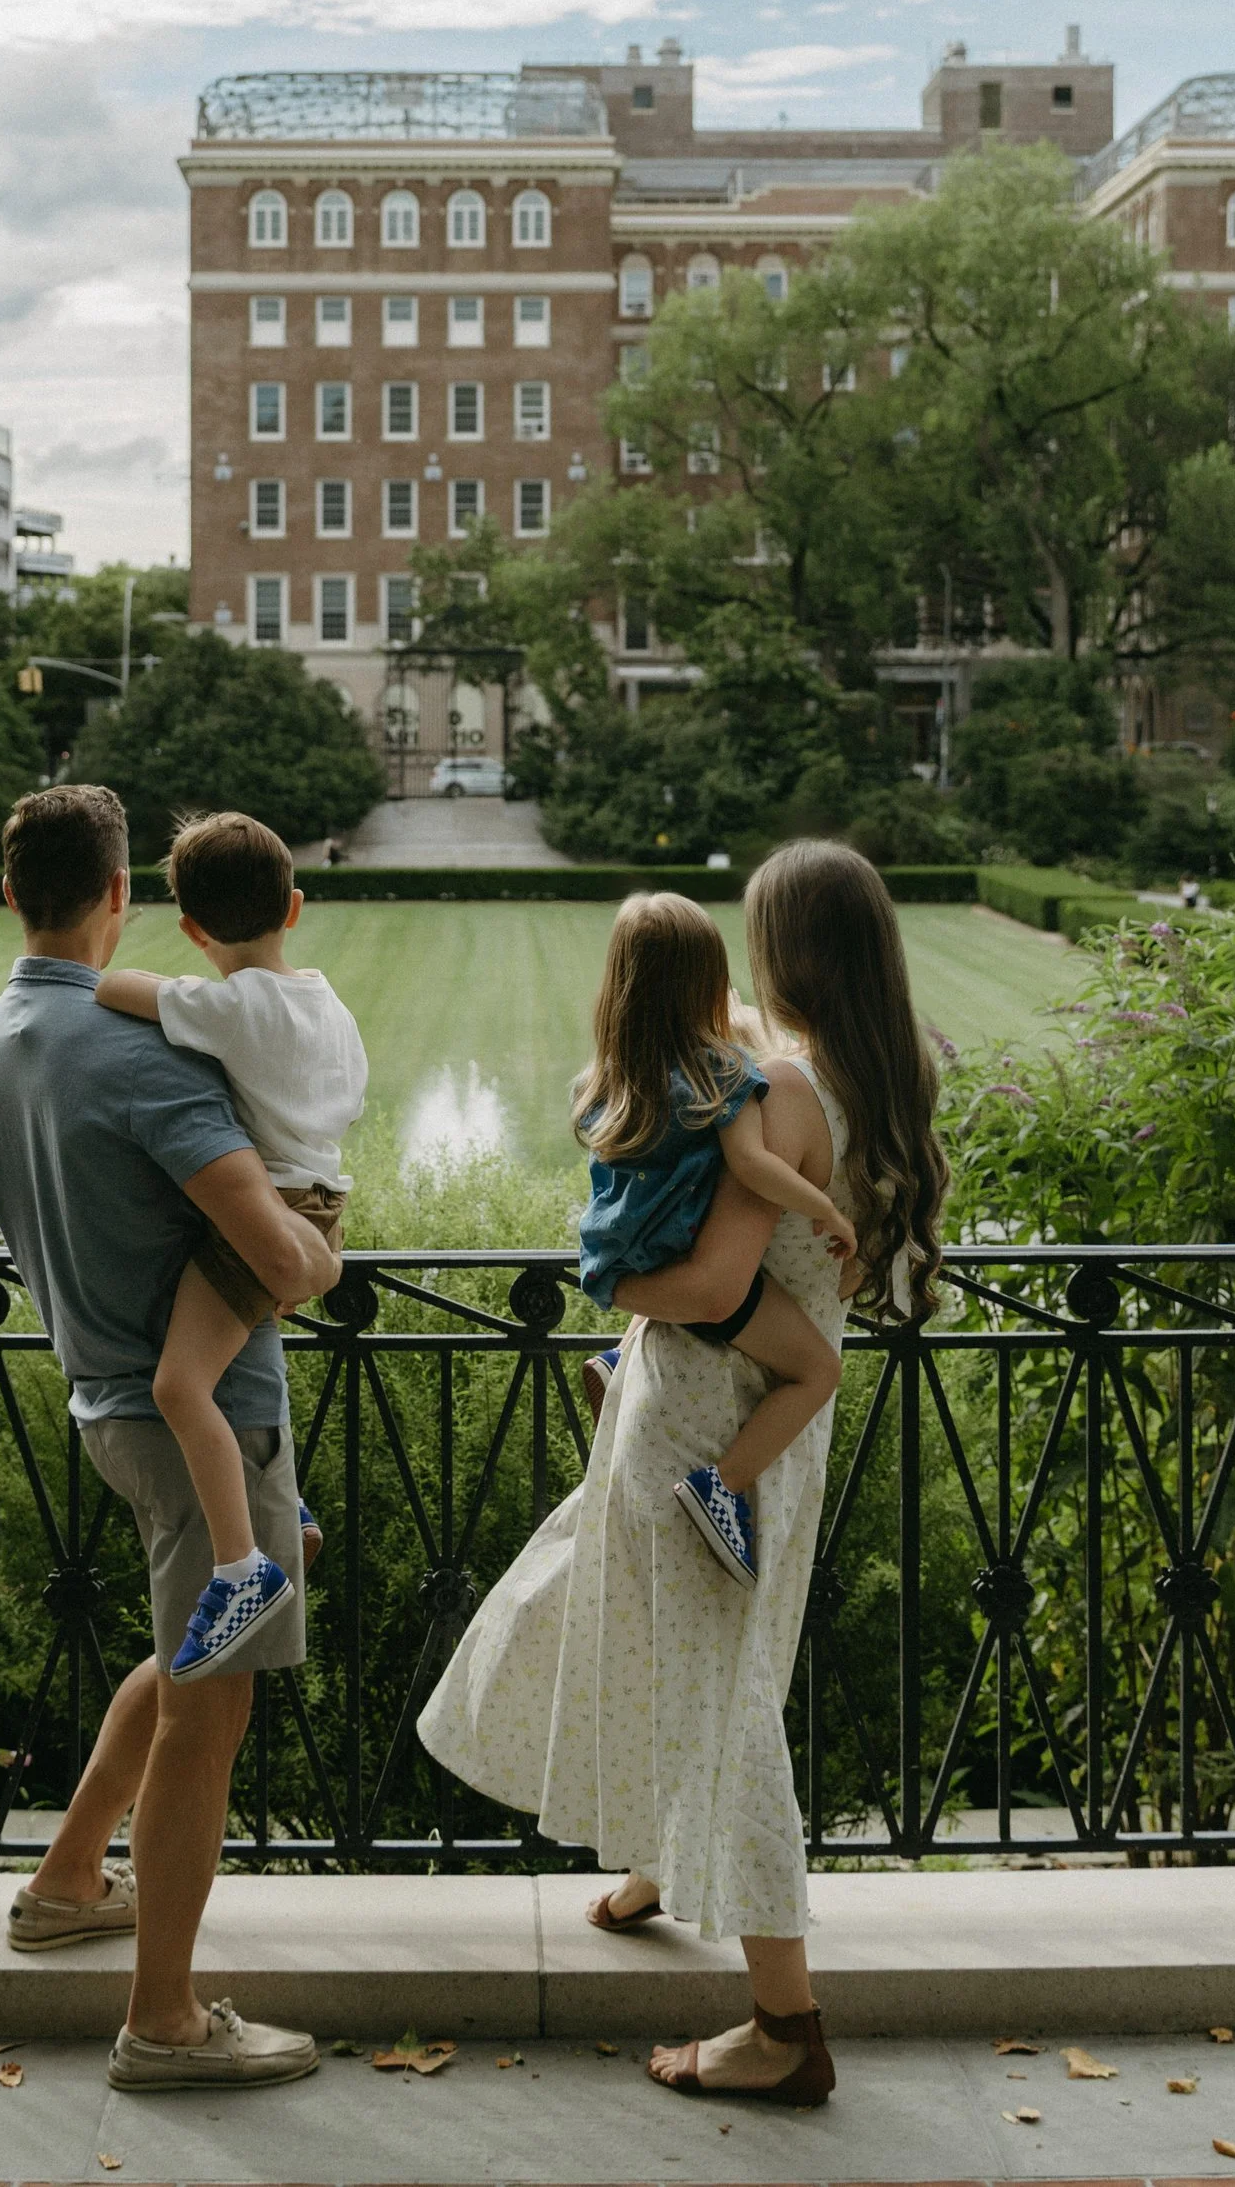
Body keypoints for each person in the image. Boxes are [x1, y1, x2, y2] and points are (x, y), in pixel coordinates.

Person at [418, 840, 947, 2116]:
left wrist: (605, 1281)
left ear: (786, 951)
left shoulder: (781, 1086)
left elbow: (710, 1288)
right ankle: (662, 1859)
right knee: (674, 1638)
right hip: (772, 1426)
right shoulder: (893, 1066)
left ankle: (783, 2020)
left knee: (718, 1695)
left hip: (703, 1422)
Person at [0, 782, 339, 2097]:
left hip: (107, 1403)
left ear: (16, 893)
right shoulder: (144, 1056)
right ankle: (165, 2017)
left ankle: (70, 1881)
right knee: (208, 1713)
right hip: (201, 1421)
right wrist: (326, 1245)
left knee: (191, 1655)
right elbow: (281, 1258)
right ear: (120, 897)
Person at [90, 810, 367, 1678]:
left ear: (191, 928)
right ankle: (282, 1521)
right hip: (320, 1201)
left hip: (264, 1212)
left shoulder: (231, 1007)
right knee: (210, 1374)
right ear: (293, 907)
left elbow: (112, 991)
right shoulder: (326, 1000)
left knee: (179, 1385)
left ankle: (243, 1567)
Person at [572, 890, 854, 1587]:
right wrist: (829, 1211)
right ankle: (723, 1486)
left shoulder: (610, 1078)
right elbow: (753, 1167)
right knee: (817, 1370)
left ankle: (624, 1352)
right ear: (708, 983)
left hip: (622, 1257)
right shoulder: (721, 1076)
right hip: (705, 1282)